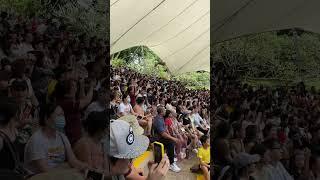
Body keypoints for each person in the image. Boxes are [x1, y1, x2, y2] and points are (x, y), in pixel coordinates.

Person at [24, 103, 88, 174]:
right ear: (46, 118)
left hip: (59, 174)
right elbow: (45, 170)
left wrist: (85, 167)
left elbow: (73, 160)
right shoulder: (36, 140)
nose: (62, 118)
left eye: (63, 115)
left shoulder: (62, 137)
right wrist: (70, 173)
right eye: (59, 115)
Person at [153, 106, 181, 172]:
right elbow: (163, 134)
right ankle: (171, 164)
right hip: (158, 139)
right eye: (164, 110)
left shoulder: (161, 117)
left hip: (162, 137)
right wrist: (173, 138)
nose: (165, 111)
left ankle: (171, 157)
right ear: (162, 112)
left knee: (171, 139)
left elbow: (165, 130)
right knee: (171, 141)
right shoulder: (158, 120)